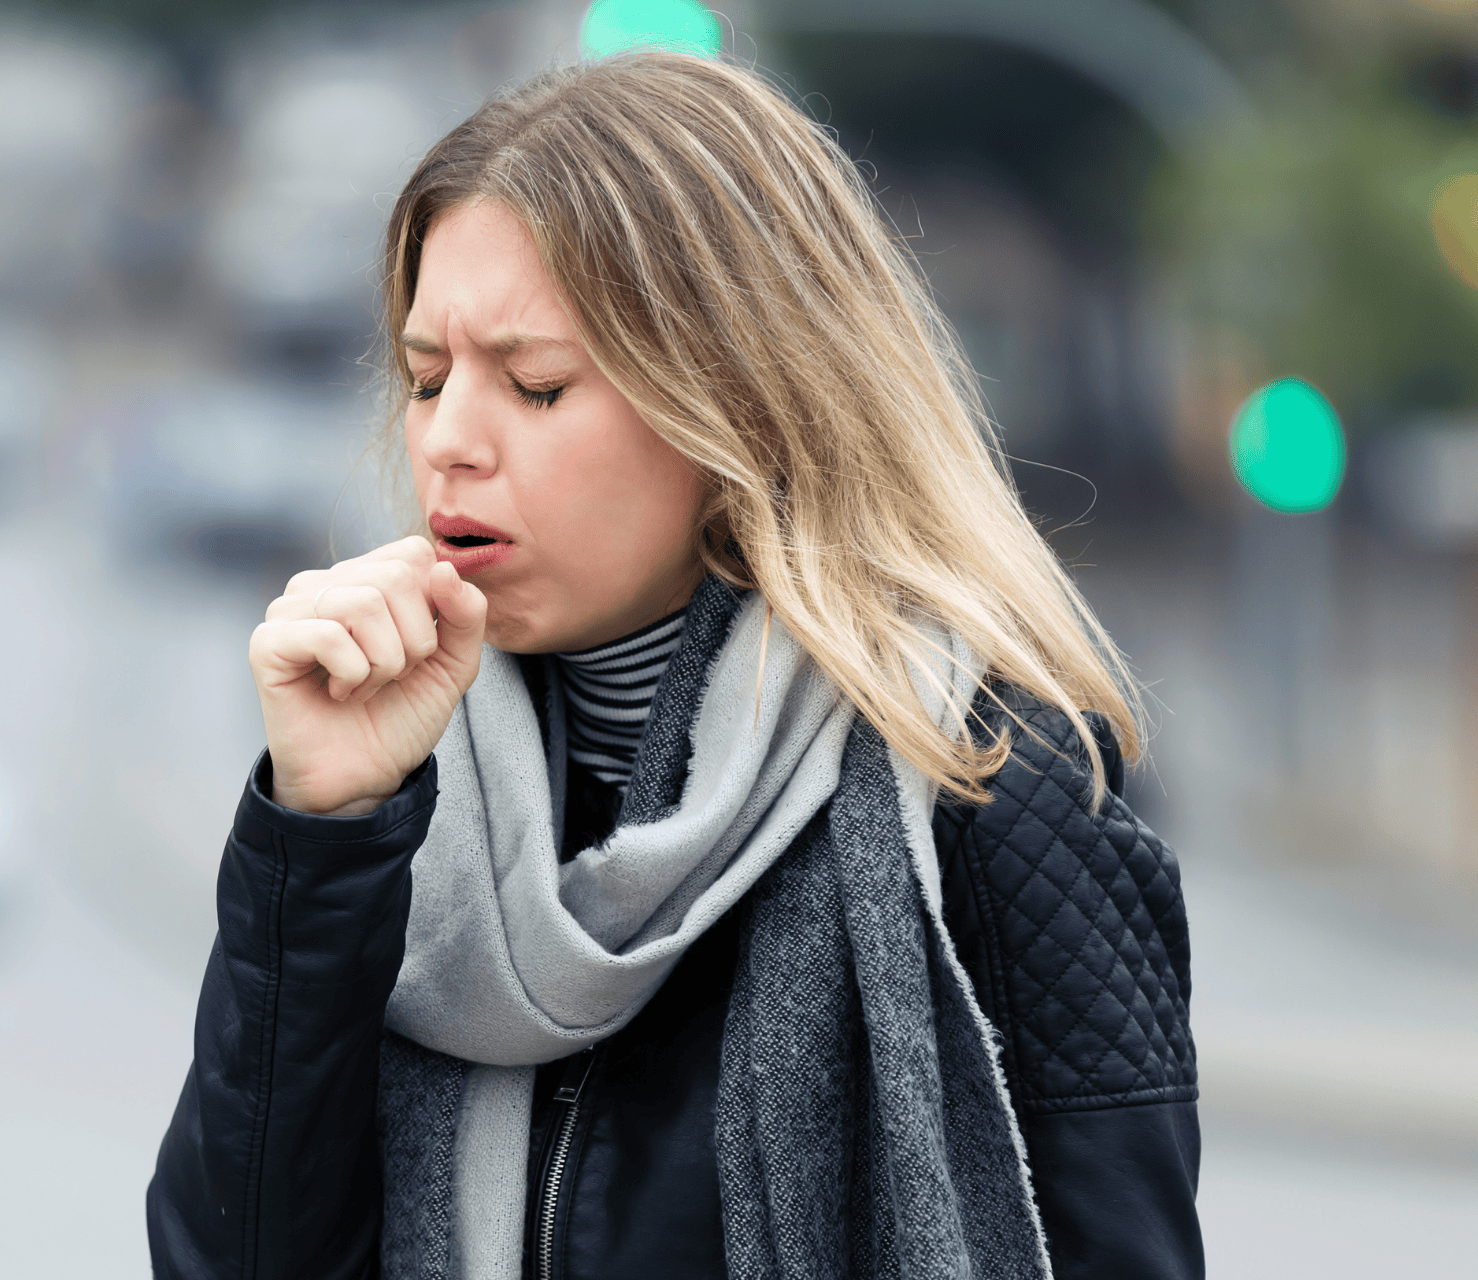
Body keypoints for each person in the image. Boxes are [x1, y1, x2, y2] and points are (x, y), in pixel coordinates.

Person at [148, 52, 1200, 1280]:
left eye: (535, 386)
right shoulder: (400, 785)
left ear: (740, 400)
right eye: (429, 377)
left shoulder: (994, 784)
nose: (448, 441)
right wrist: (322, 828)